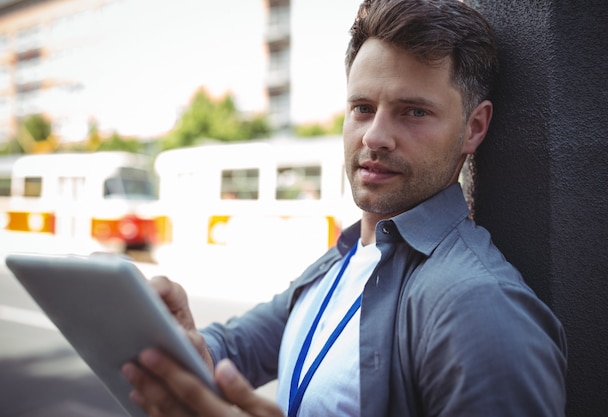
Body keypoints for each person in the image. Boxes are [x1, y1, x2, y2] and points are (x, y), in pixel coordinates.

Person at [122, 0, 568, 416]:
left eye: (413, 112)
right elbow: (236, 346)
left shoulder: (481, 309)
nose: (374, 136)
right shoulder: (343, 258)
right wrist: (186, 348)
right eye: (362, 107)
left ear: (474, 128)